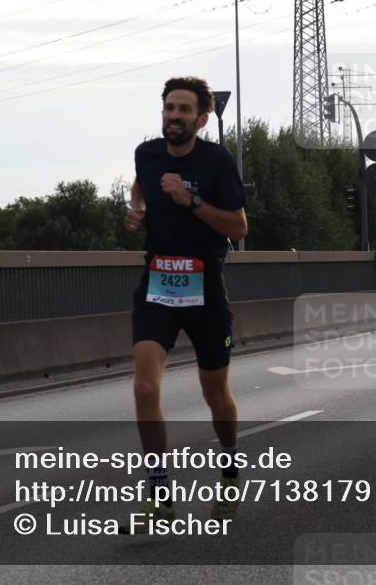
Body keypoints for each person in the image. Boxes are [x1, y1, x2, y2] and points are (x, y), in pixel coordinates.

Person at [123, 77, 248, 526]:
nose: (173, 117)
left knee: (215, 393)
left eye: (182, 110)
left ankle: (230, 464)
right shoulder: (147, 153)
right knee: (144, 387)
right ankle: (160, 490)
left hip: (205, 289)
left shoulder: (216, 161)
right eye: (168, 108)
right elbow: (141, 184)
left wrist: (190, 200)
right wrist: (136, 209)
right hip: (158, 282)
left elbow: (238, 227)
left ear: (202, 117)